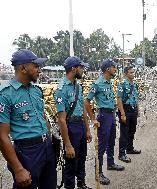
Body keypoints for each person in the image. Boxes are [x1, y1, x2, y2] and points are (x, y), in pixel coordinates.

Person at [0, 49, 57, 188]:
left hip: (46, 147)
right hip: (27, 152)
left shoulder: (36, 90)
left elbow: (42, 116)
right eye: (36, 66)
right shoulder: (6, 94)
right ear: (23, 68)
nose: (40, 70)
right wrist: (18, 169)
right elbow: (2, 135)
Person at [53, 56, 92, 189]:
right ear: (74, 68)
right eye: (81, 68)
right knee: (71, 161)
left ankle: (81, 183)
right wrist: (68, 145)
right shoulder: (61, 89)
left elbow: (82, 110)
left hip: (80, 125)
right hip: (70, 127)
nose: (83, 70)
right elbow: (62, 120)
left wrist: (87, 129)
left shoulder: (78, 86)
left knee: (82, 157)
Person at [84, 59, 125, 186]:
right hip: (103, 115)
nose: (115, 69)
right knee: (101, 146)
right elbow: (86, 102)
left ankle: (111, 163)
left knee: (111, 140)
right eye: (114, 67)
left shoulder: (109, 82)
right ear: (107, 69)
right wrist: (93, 119)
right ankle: (98, 173)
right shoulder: (98, 84)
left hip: (111, 114)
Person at [117, 66, 141, 163]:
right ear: (126, 74)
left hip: (133, 109)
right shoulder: (122, 84)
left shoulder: (134, 84)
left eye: (133, 72)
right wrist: (122, 114)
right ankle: (121, 154)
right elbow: (119, 99)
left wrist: (138, 109)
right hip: (125, 110)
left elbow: (136, 97)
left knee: (132, 130)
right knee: (124, 132)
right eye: (131, 72)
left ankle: (130, 148)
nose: (133, 74)